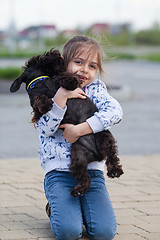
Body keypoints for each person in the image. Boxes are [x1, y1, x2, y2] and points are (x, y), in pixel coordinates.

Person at [36, 35, 123, 240]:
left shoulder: (96, 90)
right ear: (64, 62)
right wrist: (60, 99)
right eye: (78, 62)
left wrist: (80, 129)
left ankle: (82, 208)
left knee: (104, 232)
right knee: (68, 232)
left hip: (91, 172)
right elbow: (44, 128)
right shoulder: (50, 89)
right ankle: (55, 206)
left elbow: (115, 112)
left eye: (92, 66)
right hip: (60, 172)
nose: (85, 70)